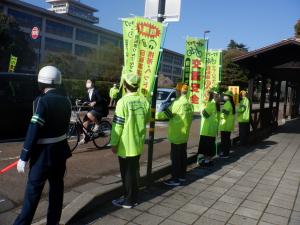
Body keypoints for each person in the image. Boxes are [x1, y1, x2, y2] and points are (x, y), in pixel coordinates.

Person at [14, 66, 72, 225]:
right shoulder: (66, 100)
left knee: (32, 194)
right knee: (56, 191)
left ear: (41, 82)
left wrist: (24, 155)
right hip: (60, 153)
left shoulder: (42, 101)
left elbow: (34, 130)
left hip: (42, 156)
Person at [110, 73, 150, 209]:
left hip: (125, 146)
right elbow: (146, 119)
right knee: (134, 171)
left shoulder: (122, 102)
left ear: (125, 85)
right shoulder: (144, 100)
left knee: (126, 173)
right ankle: (134, 197)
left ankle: (128, 200)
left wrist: (113, 143)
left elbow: (118, 125)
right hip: (138, 143)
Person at [157, 84, 194, 186]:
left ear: (178, 91)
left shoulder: (177, 103)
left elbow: (165, 115)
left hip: (177, 134)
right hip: (184, 135)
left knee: (175, 158)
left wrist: (156, 114)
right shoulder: (189, 104)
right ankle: (182, 176)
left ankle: (175, 179)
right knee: (183, 156)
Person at [79, 79, 108, 144]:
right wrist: (80, 101)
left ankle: (97, 125)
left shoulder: (97, 91)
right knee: (84, 124)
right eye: (87, 82)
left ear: (93, 83)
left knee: (89, 114)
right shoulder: (87, 91)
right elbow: (85, 99)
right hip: (92, 110)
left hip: (99, 110)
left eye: (89, 82)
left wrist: (95, 102)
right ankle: (86, 138)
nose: (87, 83)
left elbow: (101, 99)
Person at [198, 87, 220, 168]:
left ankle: (207, 161)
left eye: (207, 94)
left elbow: (205, 115)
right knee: (210, 146)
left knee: (206, 146)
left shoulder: (211, 104)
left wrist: (202, 107)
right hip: (212, 129)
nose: (205, 96)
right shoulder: (216, 104)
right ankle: (209, 160)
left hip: (207, 129)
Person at [219, 90, 235, 158]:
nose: (224, 96)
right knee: (227, 139)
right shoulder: (229, 103)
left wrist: (219, 115)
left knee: (224, 140)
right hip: (228, 125)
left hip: (225, 125)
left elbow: (224, 115)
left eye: (226, 95)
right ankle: (226, 153)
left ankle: (225, 154)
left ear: (229, 97)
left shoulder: (227, 104)